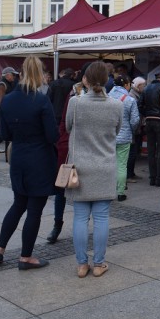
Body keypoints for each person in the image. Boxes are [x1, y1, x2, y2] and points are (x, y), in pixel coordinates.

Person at [0, 56, 58, 270]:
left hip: (18, 156)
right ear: (39, 75)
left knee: (18, 204)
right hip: (39, 158)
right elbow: (52, 136)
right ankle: (25, 257)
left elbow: (5, 133)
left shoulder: (8, 99)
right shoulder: (40, 100)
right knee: (34, 209)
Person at [66, 62, 123, 278]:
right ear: (107, 80)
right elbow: (116, 131)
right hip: (105, 166)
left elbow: (68, 126)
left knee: (80, 217)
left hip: (80, 167)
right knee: (101, 218)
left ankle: (82, 264)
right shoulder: (117, 105)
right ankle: (98, 264)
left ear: (85, 80)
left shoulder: (75, 103)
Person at [107, 74, 140, 201]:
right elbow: (135, 120)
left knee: (109, 164)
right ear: (126, 85)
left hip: (108, 136)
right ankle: (120, 192)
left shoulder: (107, 97)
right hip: (124, 136)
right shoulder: (130, 100)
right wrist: (131, 131)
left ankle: (108, 191)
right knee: (121, 165)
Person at [142, 71, 160, 186]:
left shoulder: (146, 88)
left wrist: (146, 114)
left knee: (151, 151)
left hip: (149, 120)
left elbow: (139, 104)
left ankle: (152, 178)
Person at [126, 76, 146, 183]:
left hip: (136, 128)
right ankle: (128, 175)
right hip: (133, 129)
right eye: (143, 85)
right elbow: (133, 116)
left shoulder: (137, 95)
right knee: (132, 153)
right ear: (138, 86)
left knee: (134, 151)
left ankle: (131, 173)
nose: (144, 87)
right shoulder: (132, 96)